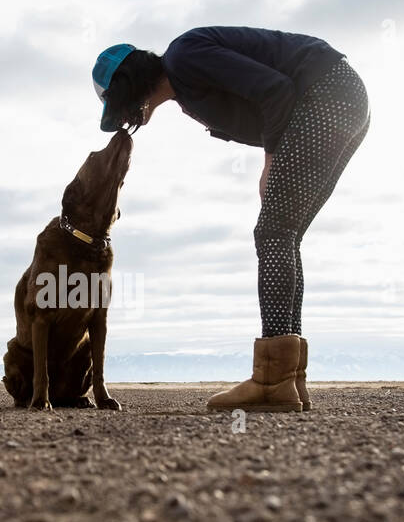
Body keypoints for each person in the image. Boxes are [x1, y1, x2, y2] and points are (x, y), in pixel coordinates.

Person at [92, 26, 370, 412]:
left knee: (273, 232)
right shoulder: (186, 90)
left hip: (326, 94)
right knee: (284, 235)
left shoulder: (184, 56)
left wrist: (271, 161)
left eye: (119, 104)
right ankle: (290, 380)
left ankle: (273, 382)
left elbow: (276, 91)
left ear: (128, 85)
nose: (125, 116)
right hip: (341, 100)